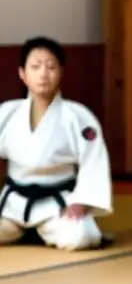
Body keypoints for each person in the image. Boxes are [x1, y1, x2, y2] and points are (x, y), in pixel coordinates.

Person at [0, 36, 112, 251]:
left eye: (51, 66)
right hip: (12, 204)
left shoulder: (77, 116)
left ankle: (44, 230)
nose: (43, 73)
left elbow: (93, 160)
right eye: (35, 66)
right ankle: (24, 231)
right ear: (22, 74)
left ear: (61, 72)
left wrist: (82, 200)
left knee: (82, 237)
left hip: (57, 204)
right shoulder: (7, 113)